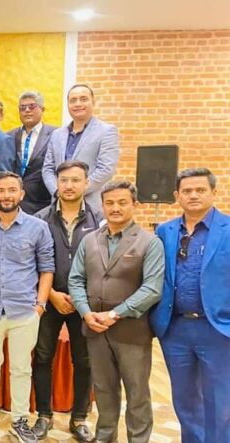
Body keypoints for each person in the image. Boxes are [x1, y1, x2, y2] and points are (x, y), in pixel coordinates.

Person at [69, 181, 164, 443]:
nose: (115, 208)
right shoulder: (90, 240)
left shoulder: (150, 242)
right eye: (109, 203)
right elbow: (76, 280)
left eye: (122, 202)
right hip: (95, 329)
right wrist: (86, 313)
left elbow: (152, 289)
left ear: (135, 205)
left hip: (131, 331)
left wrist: (114, 314)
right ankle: (105, 437)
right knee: (103, 390)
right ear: (102, 206)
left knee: (137, 394)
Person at [0, 171, 54, 443]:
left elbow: (46, 268)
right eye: (1, 190)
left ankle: (20, 420)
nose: (6, 195)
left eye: (12, 190)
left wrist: (40, 305)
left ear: (21, 194)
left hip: (25, 310)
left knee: (21, 368)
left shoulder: (38, 227)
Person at [150, 168, 230, 443]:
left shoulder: (228, 229)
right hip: (176, 329)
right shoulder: (165, 231)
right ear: (177, 195)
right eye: (187, 191)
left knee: (220, 402)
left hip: (218, 329)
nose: (193, 195)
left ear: (213, 193)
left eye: (200, 190)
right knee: (185, 400)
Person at [32, 160, 102, 442]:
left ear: (86, 183)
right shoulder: (40, 219)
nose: (69, 186)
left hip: (85, 304)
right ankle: (43, 415)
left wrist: (81, 298)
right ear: (57, 184)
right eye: (64, 180)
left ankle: (80, 418)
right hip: (49, 298)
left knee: (84, 361)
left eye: (75, 180)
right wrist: (50, 293)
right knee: (42, 357)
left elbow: (104, 265)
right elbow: (30, 262)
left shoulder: (99, 220)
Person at [42, 84, 120, 210]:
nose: (78, 104)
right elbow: (48, 169)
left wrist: (75, 191)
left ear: (93, 102)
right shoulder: (57, 134)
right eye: (73, 100)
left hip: (90, 207)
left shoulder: (106, 131)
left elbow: (106, 169)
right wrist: (57, 191)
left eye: (83, 99)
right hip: (58, 205)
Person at [7, 91, 57, 214]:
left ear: (42, 109)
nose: (27, 110)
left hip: (43, 203)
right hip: (14, 203)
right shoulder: (9, 136)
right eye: (22, 107)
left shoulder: (56, 134)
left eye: (32, 106)